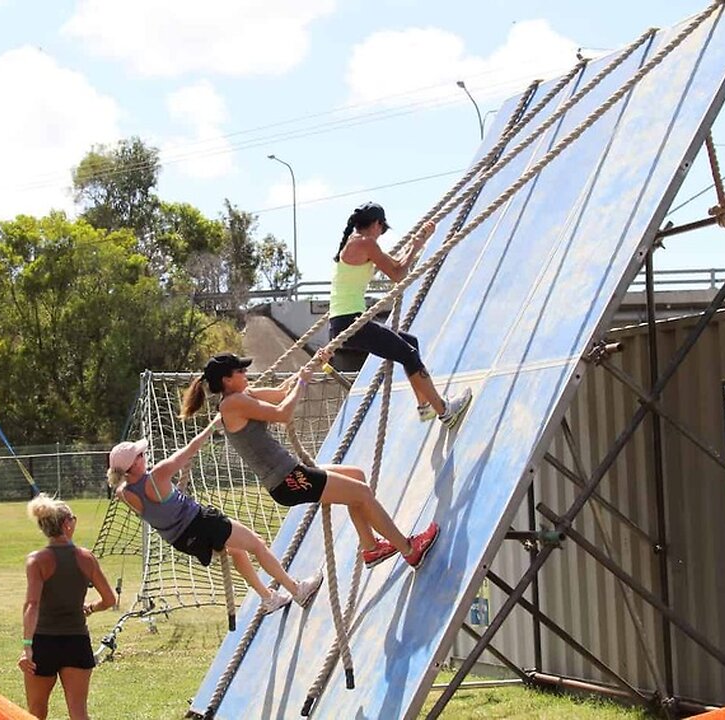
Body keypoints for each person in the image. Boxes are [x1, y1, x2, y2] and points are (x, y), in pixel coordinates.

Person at [181, 353, 439, 570]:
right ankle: (409, 549)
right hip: (288, 480)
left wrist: (313, 364)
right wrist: (303, 383)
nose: (246, 374)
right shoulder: (233, 404)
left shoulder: (242, 395)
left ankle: (371, 548)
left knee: (356, 477)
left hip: (292, 474)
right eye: (240, 370)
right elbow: (283, 413)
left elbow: (282, 392)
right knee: (360, 493)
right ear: (227, 379)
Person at [108, 416, 322, 617]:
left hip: (182, 540)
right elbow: (191, 449)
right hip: (201, 522)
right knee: (257, 544)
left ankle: (268, 598)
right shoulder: (158, 474)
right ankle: (297, 590)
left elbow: (150, 498)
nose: (145, 456)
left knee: (238, 551)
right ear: (134, 464)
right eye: (141, 455)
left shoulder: (123, 493)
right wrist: (212, 426)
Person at [322, 201, 472, 428]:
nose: (381, 234)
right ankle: (444, 411)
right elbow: (398, 274)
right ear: (376, 224)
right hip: (351, 321)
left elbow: (396, 263)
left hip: (345, 322)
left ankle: (425, 406)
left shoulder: (357, 244)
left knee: (409, 343)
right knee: (408, 353)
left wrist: (417, 244)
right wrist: (415, 247)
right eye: (382, 229)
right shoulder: (365, 243)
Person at [19, 494, 117, 720]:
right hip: (76, 641)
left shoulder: (37, 560)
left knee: (36, 711)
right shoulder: (86, 558)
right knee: (78, 712)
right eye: (73, 518)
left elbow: (31, 604)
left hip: (43, 641)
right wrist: (90, 607)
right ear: (66, 524)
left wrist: (27, 647)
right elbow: (109, 600)